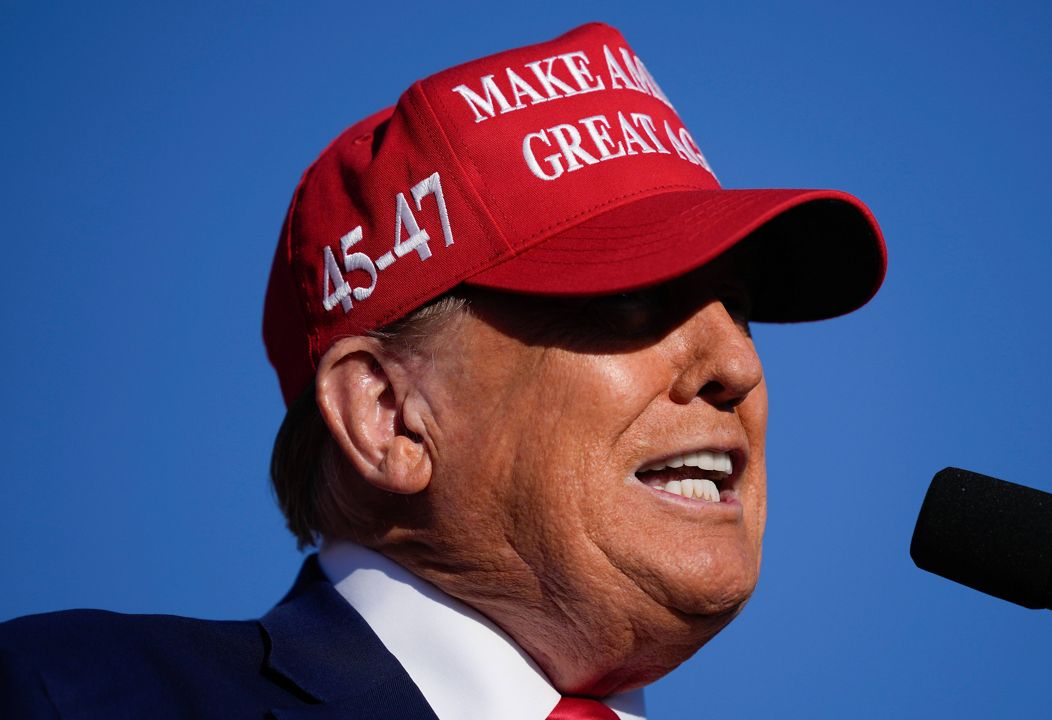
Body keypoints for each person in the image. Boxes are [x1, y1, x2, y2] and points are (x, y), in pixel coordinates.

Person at [0, 22, 885, 719]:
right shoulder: (68, 696)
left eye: (740, 309)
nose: (735, 364)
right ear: (387, 413)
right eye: (629, 300)